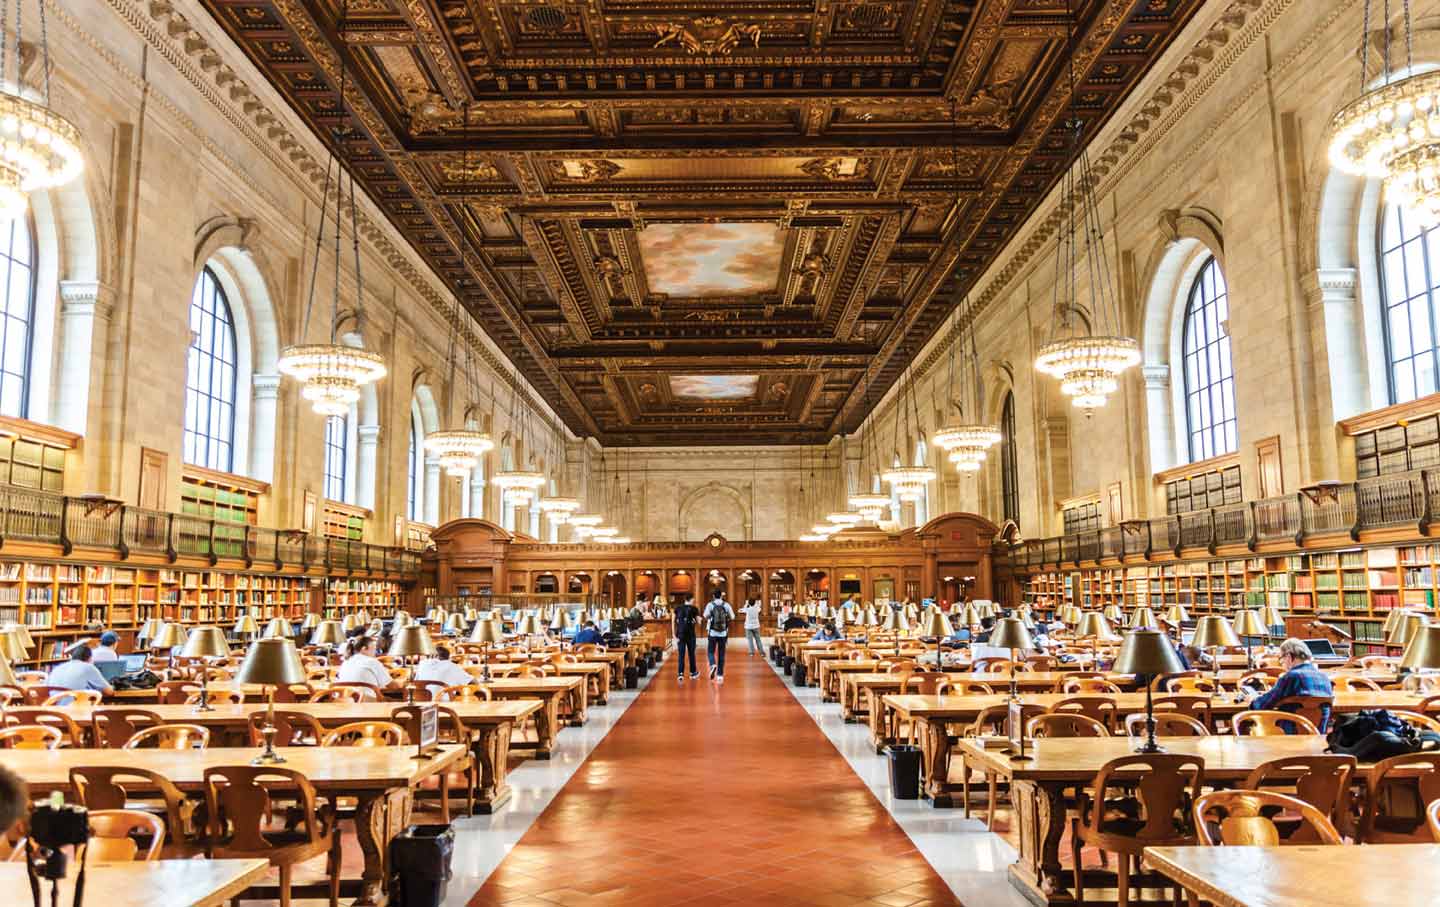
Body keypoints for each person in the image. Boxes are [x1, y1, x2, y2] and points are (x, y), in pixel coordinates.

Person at [1248, 638, 1335, 732]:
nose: (1281, 664)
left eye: (1281, 660)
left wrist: (1252, 700)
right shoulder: (1325, 677)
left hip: (1288, 735)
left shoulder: (1290, 677)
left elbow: (1263, 705)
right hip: (1318, 735)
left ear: (1289, 657)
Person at [46, 645, 113, 700]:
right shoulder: (88, 667)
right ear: (90, 658)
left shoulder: (57, 668)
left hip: (53, 710)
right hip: (75, 710)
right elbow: (109, 692)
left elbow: (45, 688)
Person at [702, 591, 735, 682]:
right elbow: (732, 617)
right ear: (721, 596)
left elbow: (705, 616)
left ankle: (713, 664)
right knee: (721, 654)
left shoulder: (710, 605)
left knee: (710, 651)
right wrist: (726, 616)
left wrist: (710, 616)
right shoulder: (726, 605)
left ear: (713, 596)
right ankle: (720, 675)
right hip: (723, 633)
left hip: (712, 632)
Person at [674, 595, 700, 682]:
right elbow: (699, 622)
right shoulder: (694, 609)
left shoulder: (678, 608)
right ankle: (693, 673)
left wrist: (674, 634)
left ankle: (680, 674)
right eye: (693, 599)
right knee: (691, 654)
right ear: (691, 599)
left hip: (680, 634)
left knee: (681, 655)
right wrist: (697, 620)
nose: (694, 601)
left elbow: (673, 621)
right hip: (691, 634)